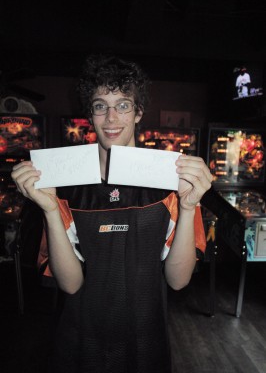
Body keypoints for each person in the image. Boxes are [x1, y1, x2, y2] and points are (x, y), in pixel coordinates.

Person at [11, 55, 213, 373]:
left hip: (147, 340)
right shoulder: (64, 185)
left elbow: (177, 281)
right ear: (90, 116)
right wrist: (49, 209)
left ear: (138, 113)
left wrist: (189, 206)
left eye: (123, 105)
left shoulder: (171, 183)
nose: (111, 117)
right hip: (79, 341)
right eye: (100, 105)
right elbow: (71, 285)